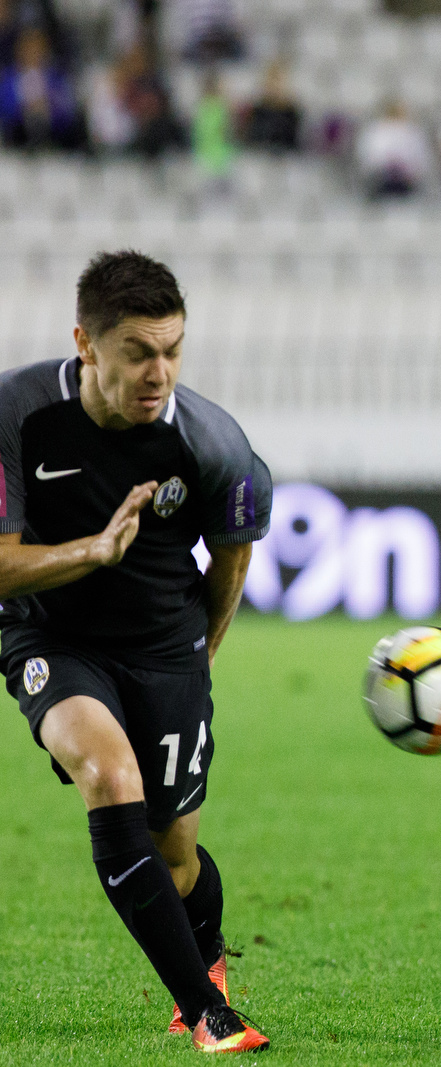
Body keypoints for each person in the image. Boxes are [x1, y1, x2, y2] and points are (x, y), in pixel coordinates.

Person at [0, 251, 274, 1052]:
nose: (160, 372)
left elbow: (231, 562)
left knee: (173, 851)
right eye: (138, 352)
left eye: (173, 350)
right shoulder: (16, 415)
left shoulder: (214, 443)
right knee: (106, 776)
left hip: (165, 648)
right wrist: (90, 551)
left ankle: (209, 957)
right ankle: (207, 1013)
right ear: (86, 344)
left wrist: (200, 662)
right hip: (48, 636)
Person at [356, 99, 432, 199]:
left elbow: (421, 158)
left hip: (408, 181)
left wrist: (405, 170)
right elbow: (367, 158)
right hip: (381, 180)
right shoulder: (374, 132)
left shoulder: (413, 131)